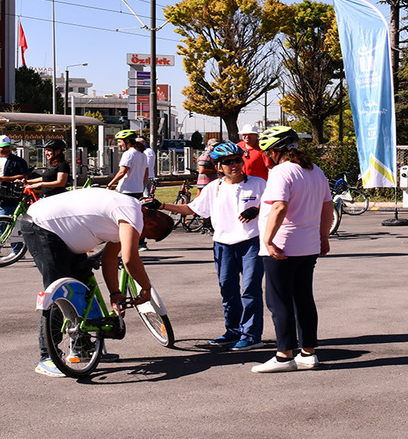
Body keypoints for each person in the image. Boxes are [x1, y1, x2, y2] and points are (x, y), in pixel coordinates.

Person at [22, 186, 174, 377]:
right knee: (60, 294)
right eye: (147, 236)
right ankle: (47, 358)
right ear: (150, 223)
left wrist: (115, 293)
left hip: (60, 234)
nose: (142, 238)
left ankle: (82, 348)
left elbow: (110, 258)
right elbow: (129, 260)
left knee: (82, 287)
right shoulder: (132, 213)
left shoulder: (127, 211)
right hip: (43, 227)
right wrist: (146, 288)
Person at [160, 141, 267, 349]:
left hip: (251, 242)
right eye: (228, 162)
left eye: (237, 160)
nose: (234, 165)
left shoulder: (258, 183)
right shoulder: (213, 188)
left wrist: (257, 209)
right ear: (219, 166)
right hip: (223, 244)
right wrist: (162, 205)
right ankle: (233, 331)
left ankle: (251, 335)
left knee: (250, 290)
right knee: (228, 290)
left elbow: (275, 205)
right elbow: (192, 209)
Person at [251, 126, 332, 373]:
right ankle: (308, 353)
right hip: (308, 245)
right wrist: (324, 237)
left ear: (276, 151)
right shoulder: (315, 170)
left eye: (267, 152)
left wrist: (268, 240)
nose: (267, 157)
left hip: (283, 245)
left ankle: (284, 356)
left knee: (279, 301)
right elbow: (327, 207)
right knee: (304, 299)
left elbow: (279, 207)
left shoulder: (281, 171)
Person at [107, 130, 149, 198]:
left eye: (119, 142)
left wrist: (109, 184)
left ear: (127, 140)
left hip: (126, 190)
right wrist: (142, 187)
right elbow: (146, 174)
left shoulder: (128, 153)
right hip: (138, 190)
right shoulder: (143, 154)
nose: (118, 144)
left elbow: (122, 172)